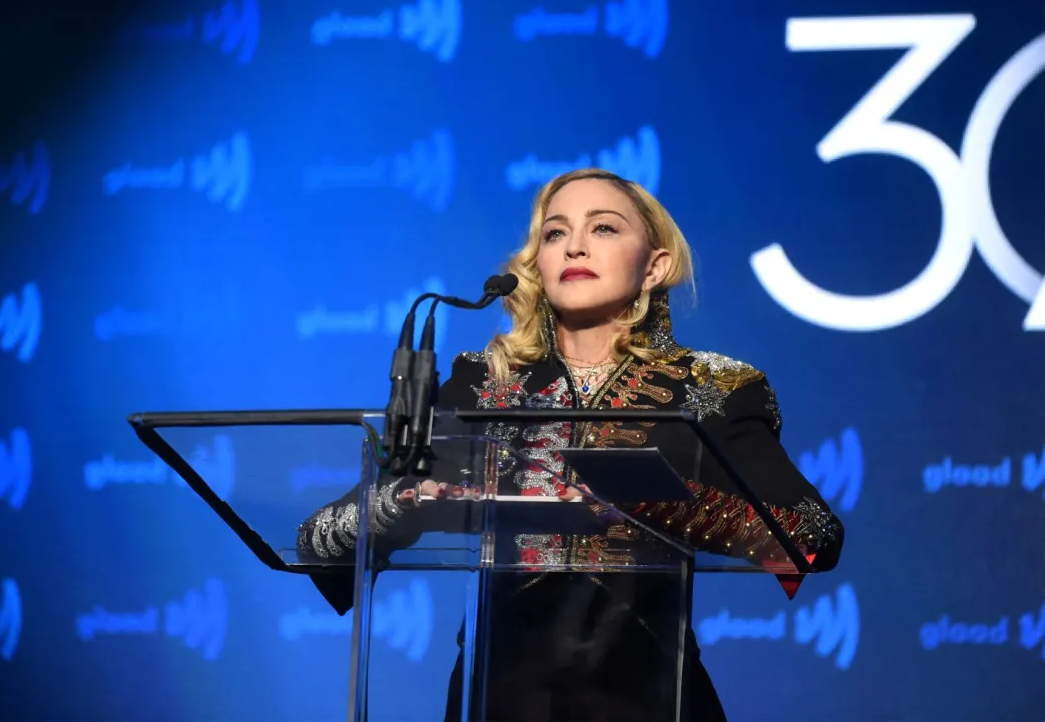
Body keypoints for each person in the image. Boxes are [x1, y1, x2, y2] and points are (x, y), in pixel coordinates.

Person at [297, 167, 845, 721]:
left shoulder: (713, 388)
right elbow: (320, 539)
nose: (574, 246)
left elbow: (811, 535)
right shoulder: (481, 383)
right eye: (555, 233)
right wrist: (405, 504)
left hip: (653, 696)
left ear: (654, 266)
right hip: (497, 697)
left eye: (603, 228)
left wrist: (653, 501)